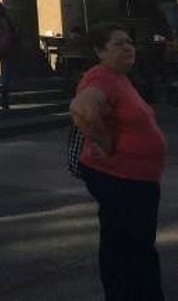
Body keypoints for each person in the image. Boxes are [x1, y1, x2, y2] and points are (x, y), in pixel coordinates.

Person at [70, 23, 166, 300]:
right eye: (118, 44)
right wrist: (106, 143)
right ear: (100, 51)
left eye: (129, 42)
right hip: (122, 179)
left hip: (134, 180)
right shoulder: (101, 77)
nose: (128, 47)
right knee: (130, 248)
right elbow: (82, 110)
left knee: (130, 246)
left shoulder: (118, 78)